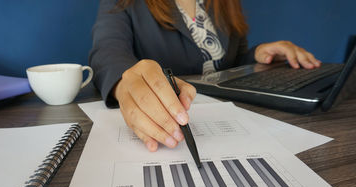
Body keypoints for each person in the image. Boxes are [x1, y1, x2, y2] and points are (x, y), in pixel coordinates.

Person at [89, 0, 321, 152]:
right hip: (180, 121)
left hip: (234, 126)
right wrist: (125, 83)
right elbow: (107, 51)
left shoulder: (225, 4)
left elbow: (231, 63)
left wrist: (257, 55)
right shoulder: (126, 3)